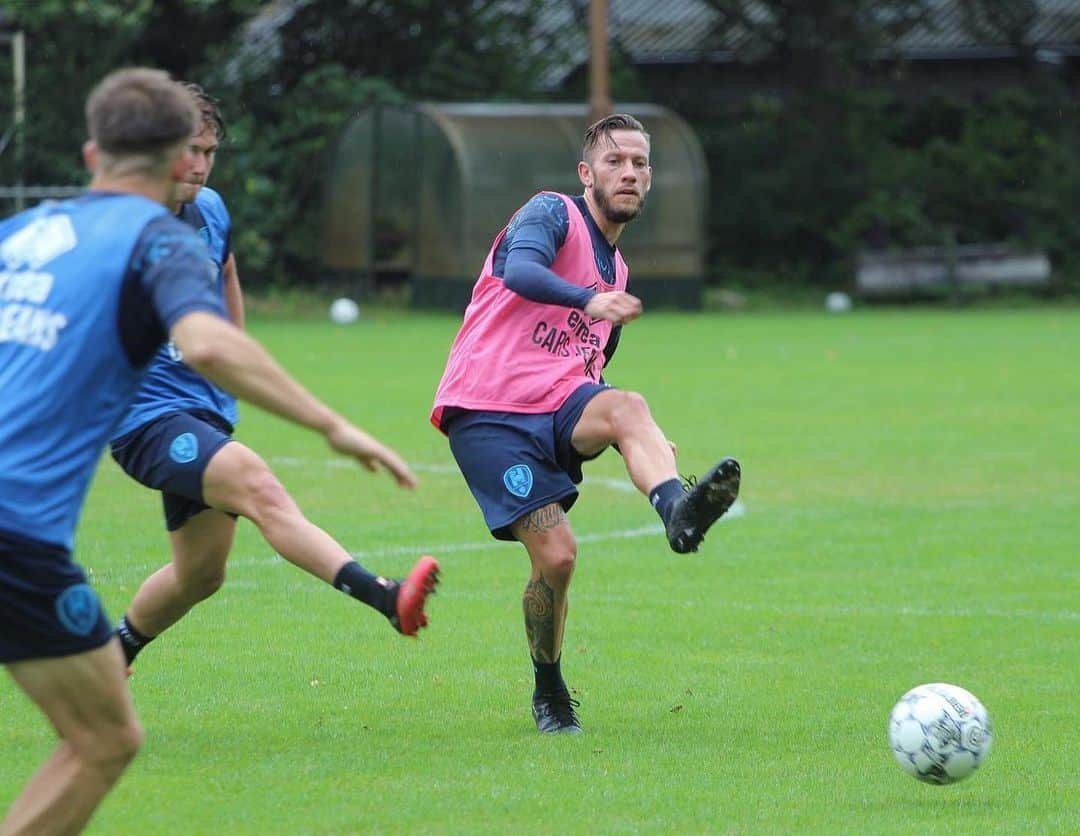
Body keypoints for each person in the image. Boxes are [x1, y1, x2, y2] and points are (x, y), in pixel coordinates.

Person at [0, 67, 433, 836]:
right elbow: (204, 340)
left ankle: (127, 643)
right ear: (176, 159)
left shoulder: (23, 235)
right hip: (16, 532)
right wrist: (331, 425)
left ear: (92, 151)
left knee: (196, 582)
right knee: (104, 742)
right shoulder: (154, 238)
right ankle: (377, 593)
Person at [107, 83, 438, 673]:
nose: (202, 164)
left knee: (200, 574)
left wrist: (237, 346)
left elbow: (225, 266)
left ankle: (114, 652)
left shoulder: (210, 212)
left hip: (203, 410)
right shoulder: (123, 230)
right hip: (144, 418)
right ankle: (385, 596)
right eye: (191, 149)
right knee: (257, 483)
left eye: (210, 151)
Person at [430, 113, 741, 735]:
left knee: (630, 407)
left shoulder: (619, 274)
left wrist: (640, 443)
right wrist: (585, 299)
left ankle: (677, 509)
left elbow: (588, 374)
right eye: (615, 161)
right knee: (559, 558)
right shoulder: (551, 214)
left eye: (641, 163)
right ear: (586, 172)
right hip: (488, 412)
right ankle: (549, 687)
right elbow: (518, 272)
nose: (629, 172)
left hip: (558, 406)